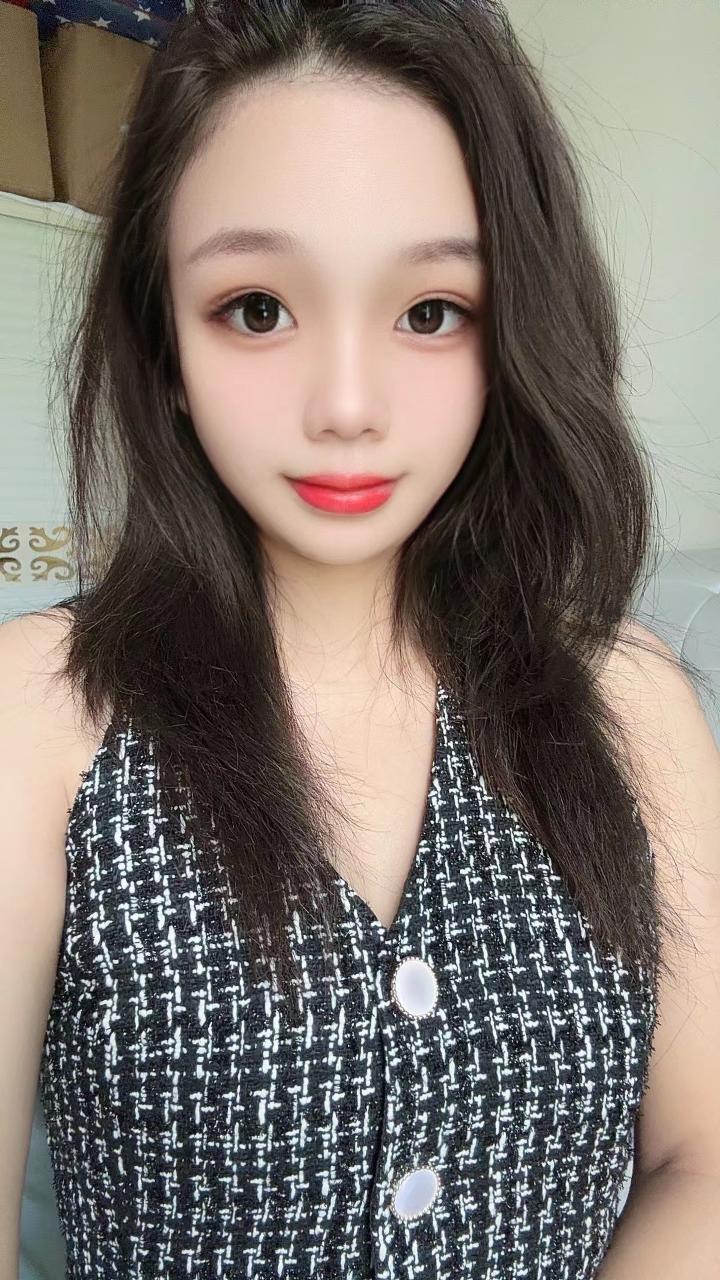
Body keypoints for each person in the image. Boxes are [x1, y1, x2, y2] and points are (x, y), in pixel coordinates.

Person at [2, 1, 720, 1277]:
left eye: (432, 311)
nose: (346, 406)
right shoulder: (43, 715)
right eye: (257, 308)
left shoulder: (633, 703)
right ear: (163, 336)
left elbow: (704, 1158)